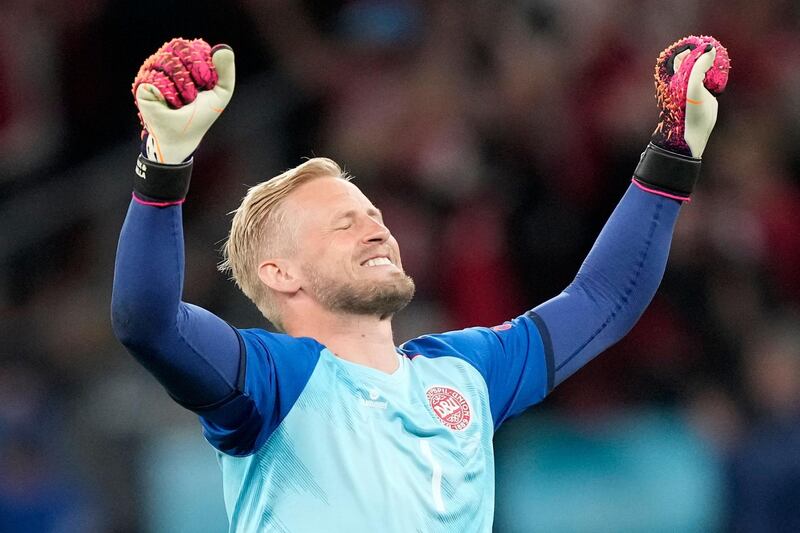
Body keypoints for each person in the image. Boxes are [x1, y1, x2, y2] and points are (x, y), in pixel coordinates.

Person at [111, 36, 728, 532]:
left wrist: (677, 148)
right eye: (343, 224)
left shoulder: (464, 371)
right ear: (280, 274)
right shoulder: (274, 382)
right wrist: (164, 165)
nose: (377, 230)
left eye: (375, 216)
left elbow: (601, 301)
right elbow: (149, 322)